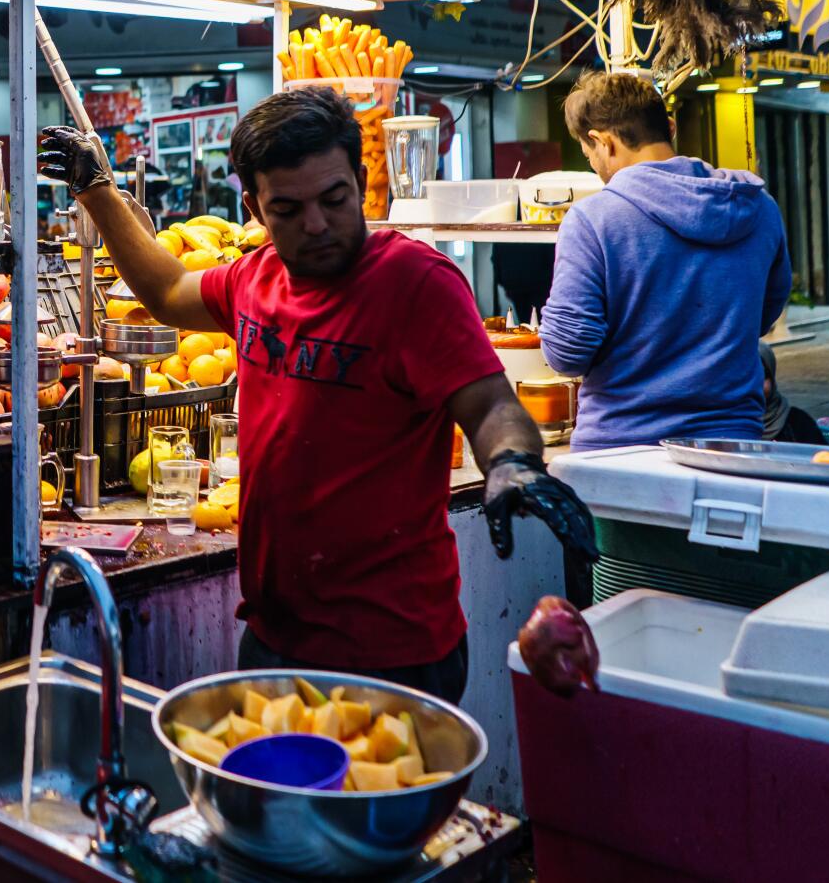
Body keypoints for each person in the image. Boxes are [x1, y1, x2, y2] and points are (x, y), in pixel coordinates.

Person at [41, 88, 596, 704]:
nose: (316, 224)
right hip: (276, 637)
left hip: (395, 651)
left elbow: (490, 405)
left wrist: (513, 464)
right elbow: (168, 290)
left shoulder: (416, 283)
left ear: (359, 180)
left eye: (334, 199)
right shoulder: (253, 280)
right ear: (253, 206)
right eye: (287, 208)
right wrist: (97, 191)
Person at [540, 72, 792, 451]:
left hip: (620, 451)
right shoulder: (759, 209)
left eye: (589, 153)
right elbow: (764, 314)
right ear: (669, 128)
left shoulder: (592, 218)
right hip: (732, 445)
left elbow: (567, 352)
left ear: (602, 142)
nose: (594, 164)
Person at [760, 341, 826, 445]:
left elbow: (820, 458)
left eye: (762, 376)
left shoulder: (798, 423)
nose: (752, 385)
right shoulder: (726, 424)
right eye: (744, 377)